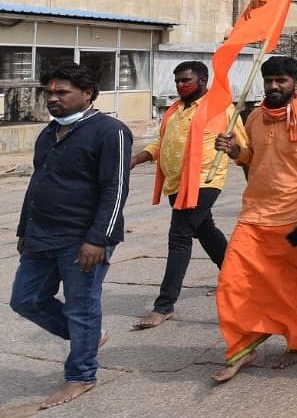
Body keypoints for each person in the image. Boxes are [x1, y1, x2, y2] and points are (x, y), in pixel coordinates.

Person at [11, 63, 130, 410]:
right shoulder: (49, 133)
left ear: (87, 93)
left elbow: (115, 188)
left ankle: (81, 374)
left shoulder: (111, 132)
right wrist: (24, 228)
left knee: (81, 308)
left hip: (82, 239)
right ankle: (90, 339)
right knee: (26, 299)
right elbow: (38, 181)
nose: (53, 98)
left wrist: (98, 239)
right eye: (50, 92)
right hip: (41, 234)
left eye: (62, 92)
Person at [212, 56, 297, 383]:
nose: (274, 86)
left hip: (295, 220)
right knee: (232, 282)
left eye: (282, 80)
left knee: (293, 284)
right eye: (269, 81)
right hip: (254, 215)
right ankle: (242, 346)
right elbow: (252, 158)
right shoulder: (254, 118)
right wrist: (235, 151)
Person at [129, 61, 247, 329]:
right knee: (205, 229)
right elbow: (162, 141)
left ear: (203, 81)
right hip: (176, 183)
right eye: (178, 81)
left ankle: (164, 305)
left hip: (205, 181)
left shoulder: (222, 109)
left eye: (186, 81)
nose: (180, 86)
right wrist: (138, 157)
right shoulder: (174, 111)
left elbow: (244, 145)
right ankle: (238, 278)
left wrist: (233, 149)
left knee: (180, 236)